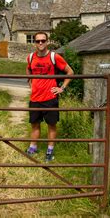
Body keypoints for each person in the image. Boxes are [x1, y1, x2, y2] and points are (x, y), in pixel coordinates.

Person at [26, 32, 73, 162]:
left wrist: (62, 88)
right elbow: (28, 70)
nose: (40, 43)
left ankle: (50, 151)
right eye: (37, 41)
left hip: (50, 98)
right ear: (34, 43)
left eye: (43, 40)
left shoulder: (54, 57)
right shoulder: (30, 57)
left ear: (47, 41)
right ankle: (33, 147)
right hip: (35, 98)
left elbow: (70, 72)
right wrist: (31, 84)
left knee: (51, 125)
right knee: (34, 124)